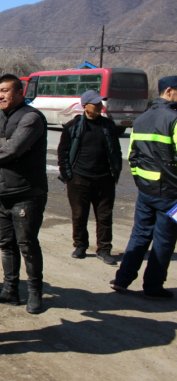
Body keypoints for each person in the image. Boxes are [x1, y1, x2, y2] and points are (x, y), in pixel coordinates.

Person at [0, 74, 48, 314]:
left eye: (6, 91)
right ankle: (10, 290)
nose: (0, 95)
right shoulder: (0, 118)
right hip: (2, 191)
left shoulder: (31, 117)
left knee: (27, 244)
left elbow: (12, 150)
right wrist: (2, 142)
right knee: (6, 244)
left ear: (20, 93)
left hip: (27, 192)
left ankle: (35, 292)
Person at [111, 76, 177, 299]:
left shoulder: (141, 119)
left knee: (139, 235)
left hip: (146, 191)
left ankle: (122, 279)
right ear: (169, 91)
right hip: (171, 194)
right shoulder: (175, 119)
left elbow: (133, 156)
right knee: (165, 239)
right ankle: (153, 286)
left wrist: (141, 182)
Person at [57, 90, 123, 264]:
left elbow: (116, 150)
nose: (100, 106)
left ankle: (104, 249)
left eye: (100, 103)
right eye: (96, 104)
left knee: (105, 216)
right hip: (79, 179)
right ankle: (80, 245)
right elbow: (63, 153)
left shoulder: (108, 125)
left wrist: (115, 172)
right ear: (85, 106)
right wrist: (68, 175)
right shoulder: (72, 126)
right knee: (79, 215)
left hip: (105, 179)